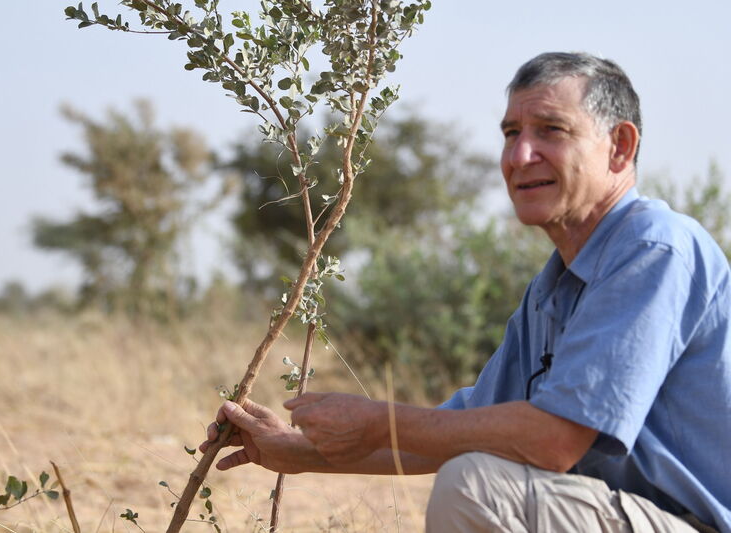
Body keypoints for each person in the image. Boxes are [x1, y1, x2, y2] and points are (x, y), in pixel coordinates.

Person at [200, 52, 731, 533]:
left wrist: (376, 421)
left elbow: (555, 440)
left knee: (474, 484)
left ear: (620, 147)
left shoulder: (656, 249)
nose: (520, 155)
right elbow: (463, 427)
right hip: (621, 514)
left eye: (551, 130)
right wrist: (298, 451)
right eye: (510, 132)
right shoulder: (553, 288)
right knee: (473, 467)